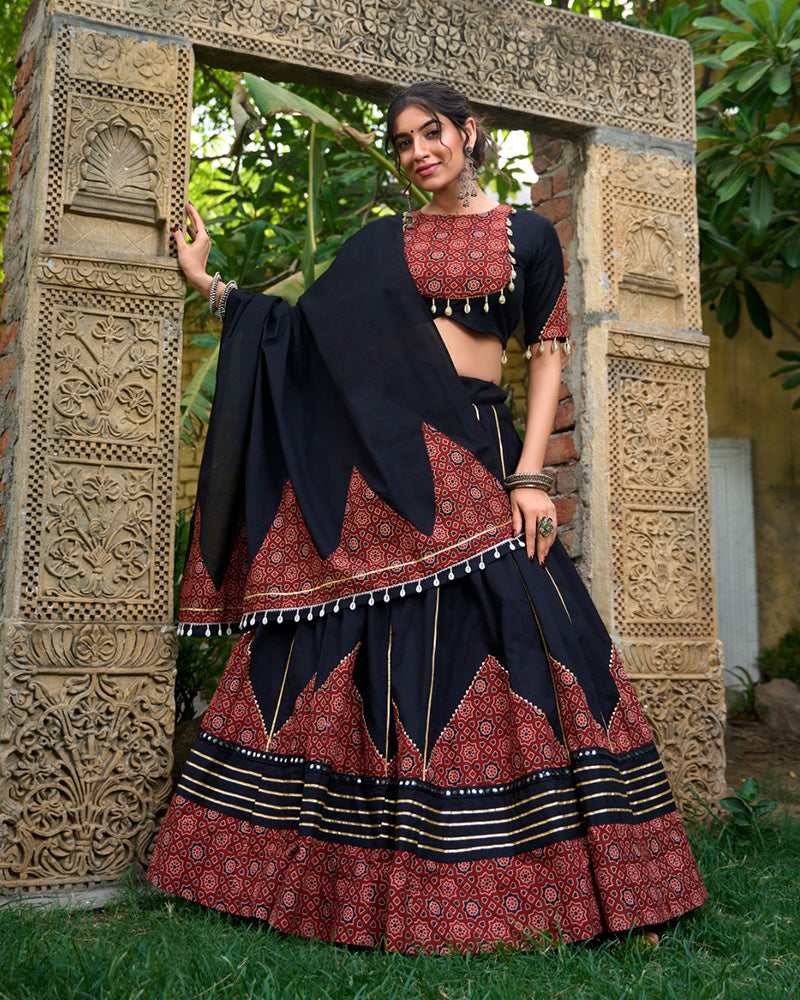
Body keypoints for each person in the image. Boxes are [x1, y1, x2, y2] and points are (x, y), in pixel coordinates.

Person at [148, 80, 706, 954]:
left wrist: (529, 475)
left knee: (534, 636)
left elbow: (548, 355)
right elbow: (303, 340)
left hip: (483, 453)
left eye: (432, 133)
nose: (419, 153)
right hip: (388, 464)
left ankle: (558, 882)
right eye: (405, 142)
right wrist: (211, 284)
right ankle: (307, 869)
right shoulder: (383, 245)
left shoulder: (529, 236)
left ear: (470, 133)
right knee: (350, 638)